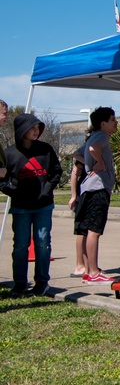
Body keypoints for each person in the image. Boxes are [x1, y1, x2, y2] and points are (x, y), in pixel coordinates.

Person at [2, 113, 62, 296]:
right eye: (32, 128)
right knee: (20, 245)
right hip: (20, 208)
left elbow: (56, 172)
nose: (36, 131)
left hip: (44, 206)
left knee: (43, 244)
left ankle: (42, 282)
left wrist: (47, 189)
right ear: (21, 130)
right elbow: (2, 180)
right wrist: (15, 192)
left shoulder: (46, 149)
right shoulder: (10, 154)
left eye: (38, 128)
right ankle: (20, 283)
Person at [78, 106, 118, 285]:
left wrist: (89, 164)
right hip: (98, 189)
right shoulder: (101, 136)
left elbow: (77, 154)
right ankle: (94, 272)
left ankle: (88, 271)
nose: (116, 123)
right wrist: (99, 163)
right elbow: (94, 149)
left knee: (88, 231)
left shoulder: (92, 137)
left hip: (87, 189)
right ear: (103, 124)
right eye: (112, 119)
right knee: (95, 230)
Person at [67, 145, 88, 277]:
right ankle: (79, 265)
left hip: (91, 195)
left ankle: (88, 264)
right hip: (82, 195)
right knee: (81, 230)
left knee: (88, 231)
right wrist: (74, 196)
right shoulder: (85, 154)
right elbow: (75, 173)